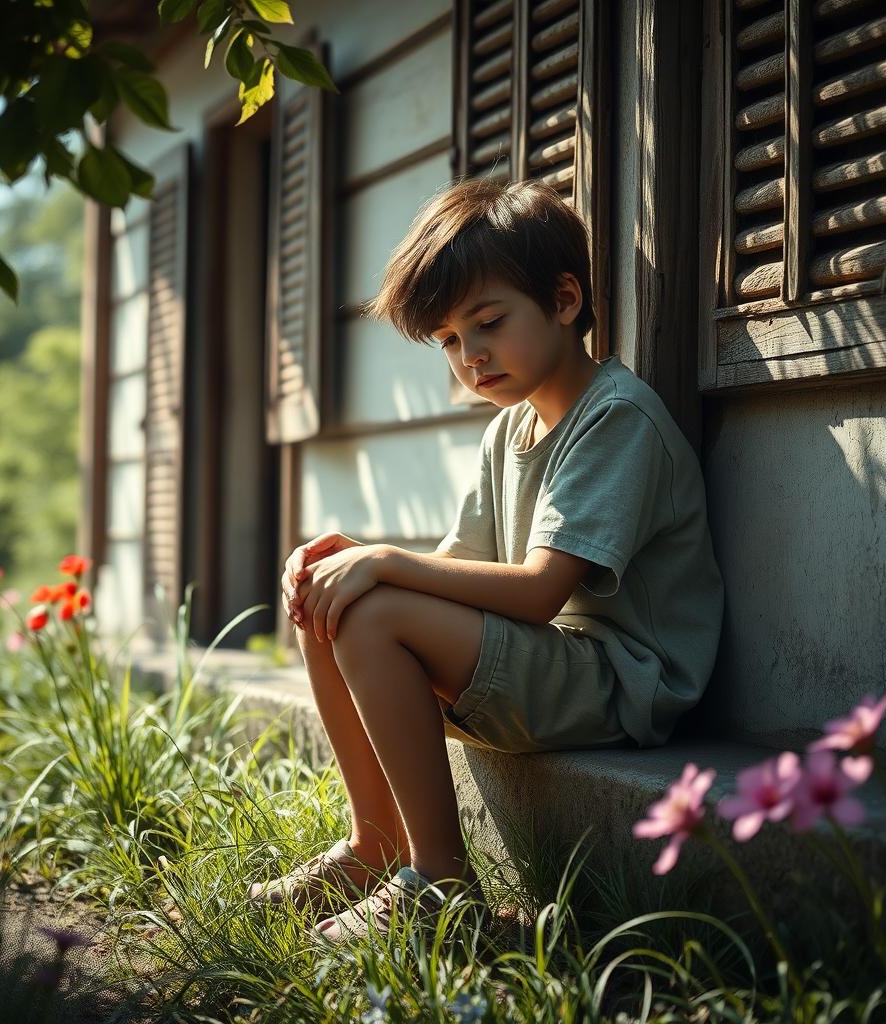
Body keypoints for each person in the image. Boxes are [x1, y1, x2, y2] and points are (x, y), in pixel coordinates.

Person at [251, 178, 724, 944]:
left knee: (371, 605)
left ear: (565, 300)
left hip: (621, 679)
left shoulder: (616, 418)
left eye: (488, 323)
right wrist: (357, 561)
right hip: (552, 665)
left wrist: (383, 563)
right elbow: (455, 574)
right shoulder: (510, 429)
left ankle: (439, 883)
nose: (469, 356)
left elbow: (539, 591)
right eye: (447, 340)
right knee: (329, 600)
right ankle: (374, 847)